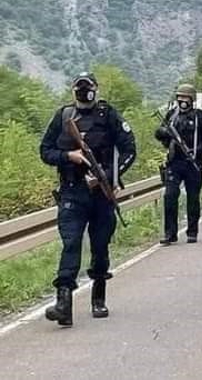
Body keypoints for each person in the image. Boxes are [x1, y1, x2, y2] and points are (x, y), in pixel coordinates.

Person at [39, 72, 137, 326]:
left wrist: (110, 176)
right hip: (72, 191)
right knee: (71, 244)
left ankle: (98, 298)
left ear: (96, 88)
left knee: (100, 246)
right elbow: (45, 151)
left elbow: (129, 149)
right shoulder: (63, 116)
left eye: (88, 87)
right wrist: (68, 156)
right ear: (72, 90)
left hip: (101, 194)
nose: (84, 91)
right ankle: (63, 304)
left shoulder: (108, 114)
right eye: (79, 87)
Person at [155, 84, 202, 245]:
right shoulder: (171, 115)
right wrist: (165, 133)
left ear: (192, 99)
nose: (182, 100)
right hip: (174, 162)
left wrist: (196, 150)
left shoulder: (200, 116)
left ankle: (192, 232)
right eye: (180, 97)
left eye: (185, 97)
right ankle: (170, 233)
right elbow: (159, 133)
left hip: (193, 163)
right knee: (170, 196)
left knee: (193, 198)